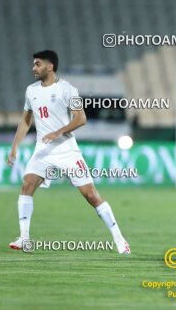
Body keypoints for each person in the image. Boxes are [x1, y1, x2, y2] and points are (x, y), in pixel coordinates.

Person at [7, 50, 130, 254]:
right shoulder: (31, 91)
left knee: (91, 195)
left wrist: (58, 132)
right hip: (43, 151)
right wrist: (14, 146)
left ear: (50, 66)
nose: (33, 68)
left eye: (37, 64)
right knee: (27, 185)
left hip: (66, 150)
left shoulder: (67, 90)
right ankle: (25, 238)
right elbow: (26, 120)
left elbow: (80, 118)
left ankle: (119, 239)